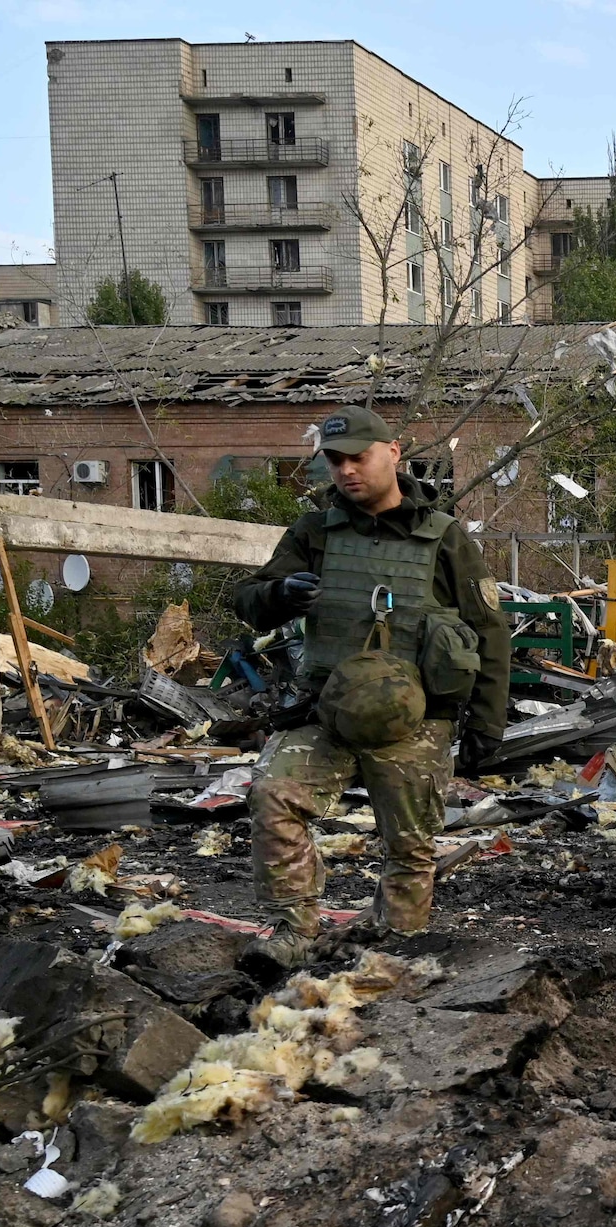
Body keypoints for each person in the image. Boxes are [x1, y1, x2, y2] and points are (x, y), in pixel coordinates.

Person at [229, 406, 512, 970]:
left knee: (410, 845)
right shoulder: (313, 532)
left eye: (358, 457)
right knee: (272, 795)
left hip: (415, 718)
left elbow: (489, 631)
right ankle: (293, 929)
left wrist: (486, 723)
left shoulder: (445, 537)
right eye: (335, 462)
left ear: (394, 452)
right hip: (325, 712)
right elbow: (248, 600)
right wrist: (280, 592)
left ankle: (394, 945)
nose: (347, 471)